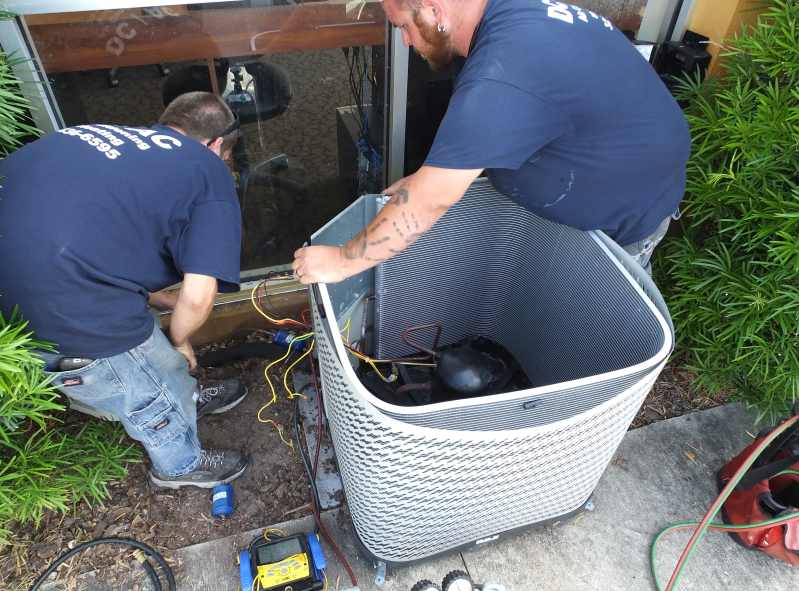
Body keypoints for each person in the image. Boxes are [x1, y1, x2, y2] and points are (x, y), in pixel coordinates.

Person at [293, 0, 691, 283]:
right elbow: (522, 114)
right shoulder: (508, 13)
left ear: (434, 10)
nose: (406, 42)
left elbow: (432, 200)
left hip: (624, 219)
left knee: (589, 336)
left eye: (403, 26)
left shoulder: (502, 71)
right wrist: (427, 179)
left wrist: (342, 261)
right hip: (604, 174)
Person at [0, 92, 250, 489]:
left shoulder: (94, 135)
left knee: (152, 365)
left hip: (12, 306)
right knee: (145, 385)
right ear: (216, 145)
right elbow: (200, 295)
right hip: (66, 307)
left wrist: (155, 298)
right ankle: (178, 465)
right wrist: (180, 341)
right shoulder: (207, 170)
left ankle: (183, 398)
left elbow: (92, 230)